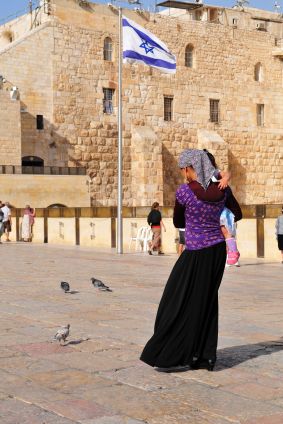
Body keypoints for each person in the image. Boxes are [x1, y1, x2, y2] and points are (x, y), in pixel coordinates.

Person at [140, 149, 242, 372]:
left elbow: (177, 221)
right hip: (216, 252)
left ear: (190, 168)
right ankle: (204, 356)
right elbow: (238, 213)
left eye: (184, 169)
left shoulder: (185, 192)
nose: (184, 174)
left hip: (195, 250)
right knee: (206, 300)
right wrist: (223, 187)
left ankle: (173, 353)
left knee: (175, 300)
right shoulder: (222, 190)